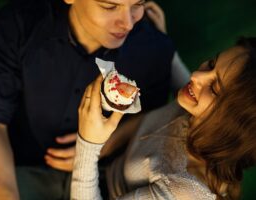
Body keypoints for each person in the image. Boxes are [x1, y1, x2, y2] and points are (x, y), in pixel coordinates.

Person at [0, 0, 189, 199]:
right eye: (109, 6)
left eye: (137, 4)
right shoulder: (20, 23)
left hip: (104, 179)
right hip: (18, 167)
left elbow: (151, 119)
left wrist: (106, 144)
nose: (128, 23)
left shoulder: (155, 48)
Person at [72, 37, 256, 200]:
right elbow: (150, 123)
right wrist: (162, 41)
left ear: (234, 124)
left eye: (215, 88)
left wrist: (88, 146)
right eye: (211, 63)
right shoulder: (195, 105)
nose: (195, 76)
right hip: (94, 167)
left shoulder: (185, 193)